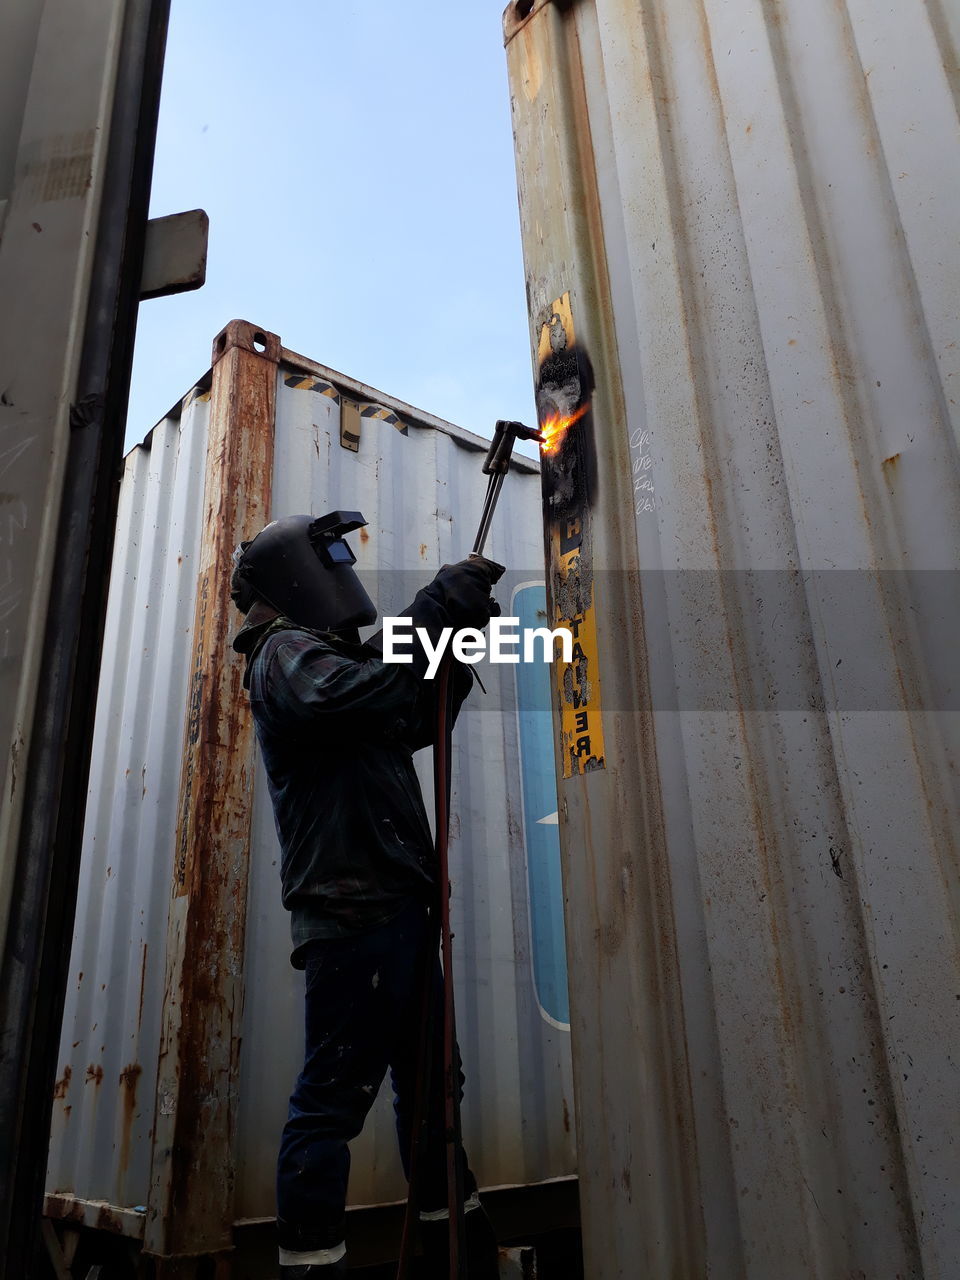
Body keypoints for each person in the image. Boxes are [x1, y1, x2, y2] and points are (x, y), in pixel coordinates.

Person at [230, 511, 502, 1280]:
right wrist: (431, 614)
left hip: (396, 910)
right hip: (355, 915)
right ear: (295, 575)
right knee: (333, 1098)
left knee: (433, 1093)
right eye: (332, 561)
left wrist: (454, 641)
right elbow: (349, 698)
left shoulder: (331, 660)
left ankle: (461, 1255)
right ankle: (312, 1265)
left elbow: (406, 712)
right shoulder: (282, 655)